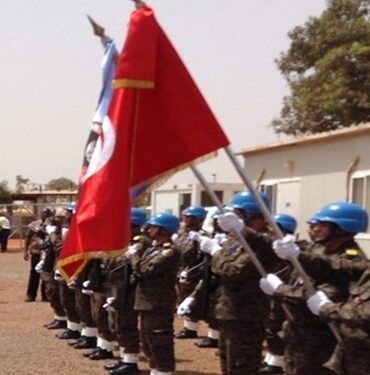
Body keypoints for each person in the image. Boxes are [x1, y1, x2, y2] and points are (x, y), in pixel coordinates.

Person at [261, 201, 367, 375]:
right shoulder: (316, 248)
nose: (315, 229)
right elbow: (304, 255)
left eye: (323, 225)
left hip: (320, 340)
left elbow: (321, 291)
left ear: (342, 228)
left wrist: (280, 289)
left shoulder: (352, 260)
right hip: (296, 333)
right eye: (314, 224)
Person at [199, 191, 281, 375]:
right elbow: (222, 267)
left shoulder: (265, 243)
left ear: (253, 216)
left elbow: (233, 271)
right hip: (228, 311)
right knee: (226, 361)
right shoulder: (235, 239)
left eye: (237, 214)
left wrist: (216, 253)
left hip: (247, 315)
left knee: (242, 365)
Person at [131, 212, 181, 375]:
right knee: (147, 341)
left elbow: (146, 270)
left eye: (154, 226)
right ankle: (155, 371)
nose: (150, 229)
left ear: (164, 230)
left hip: (159, 302)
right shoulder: (154, 248)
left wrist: (134, 257)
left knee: (160, 342)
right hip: (147, 300)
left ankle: (164, 371)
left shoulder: (170, 251)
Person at [104, 207, 150, 375]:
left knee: (127, 325)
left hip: (131, 291)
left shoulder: (142, 242)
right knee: (119, 325)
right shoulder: (127, 240)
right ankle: (125, 359)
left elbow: (137, 268)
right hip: (120, 287)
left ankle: (131, 363)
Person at [259, 213, 298, 375]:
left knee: (277, 323)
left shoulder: (288, 247)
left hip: (284, 290)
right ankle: (271, 357)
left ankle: (277, 361)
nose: (269, 230)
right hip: (271, 289)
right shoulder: (271, 245)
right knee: (270, 323)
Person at [174, 205, 210, 340]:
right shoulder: (183, 233)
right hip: (181, 270)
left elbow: (204, 258)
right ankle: (187, 326)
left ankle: (191, 328)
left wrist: (192, 271)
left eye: (189, 217)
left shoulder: (201, 236)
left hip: (193, 272)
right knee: (182, 297)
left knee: (192, 298)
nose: (185, 219)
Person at [23, 207, 53, 302]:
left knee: (46, 273)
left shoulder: (53, 225)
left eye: (47, 214)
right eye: (44, 214)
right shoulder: (34, 225)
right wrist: (25, 252)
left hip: (48, 253)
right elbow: (28, 238)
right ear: (40, 214)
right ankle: (31, 295)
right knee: (34, 273)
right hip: (36, 252)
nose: (45, 216)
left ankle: (46, 295)